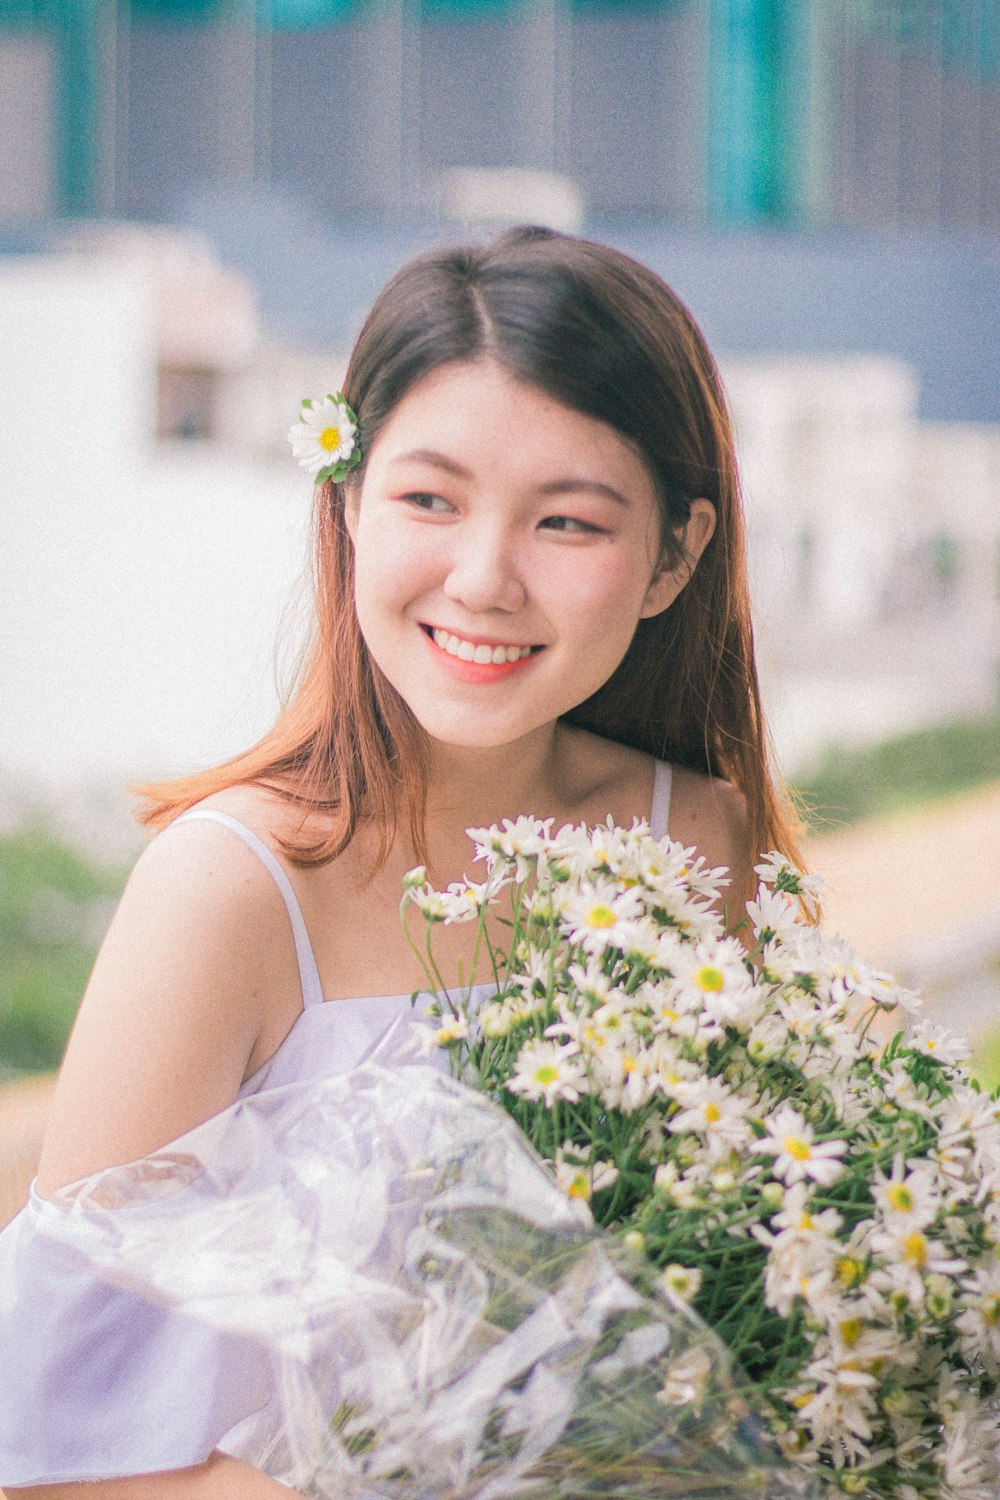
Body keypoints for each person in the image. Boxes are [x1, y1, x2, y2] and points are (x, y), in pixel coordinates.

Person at [0, 225, 804, 1498]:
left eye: (567, 522)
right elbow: (47, 1440)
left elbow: (779, 1272)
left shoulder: (699, 839)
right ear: (348, 503)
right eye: (429, 500)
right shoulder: (232, 890)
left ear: (675, 554)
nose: (483, 579)